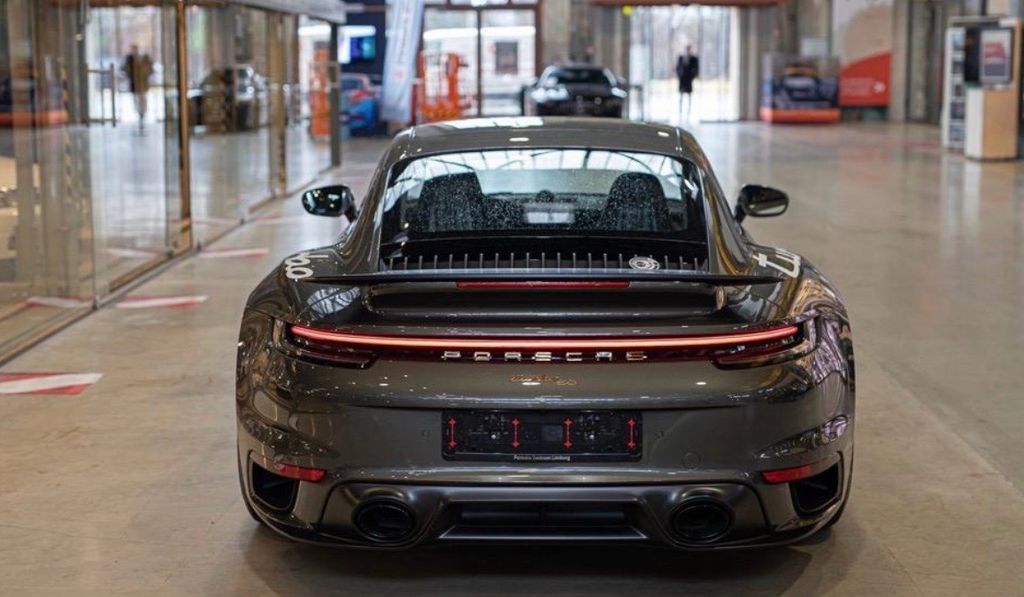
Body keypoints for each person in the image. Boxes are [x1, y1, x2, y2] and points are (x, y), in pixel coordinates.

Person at [122, 45, 153, 131]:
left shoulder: (144, 59)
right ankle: (139, 113)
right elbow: (125, 68)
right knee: (136, 100)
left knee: (143, 99)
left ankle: (142, 113)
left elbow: (150, 70)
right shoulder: (130, 59)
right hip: (135, 84)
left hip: (143, 83)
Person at [675, 45, 699, 122]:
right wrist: (680, 75)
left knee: (689, 97)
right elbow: (677, 68)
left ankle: (688, 113)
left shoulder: (694, 58)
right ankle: (680, 112)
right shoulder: (681, 57)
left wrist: (692, 77)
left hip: (689, 81)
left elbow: (696, 69)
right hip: (682, 80)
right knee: (681, 97)